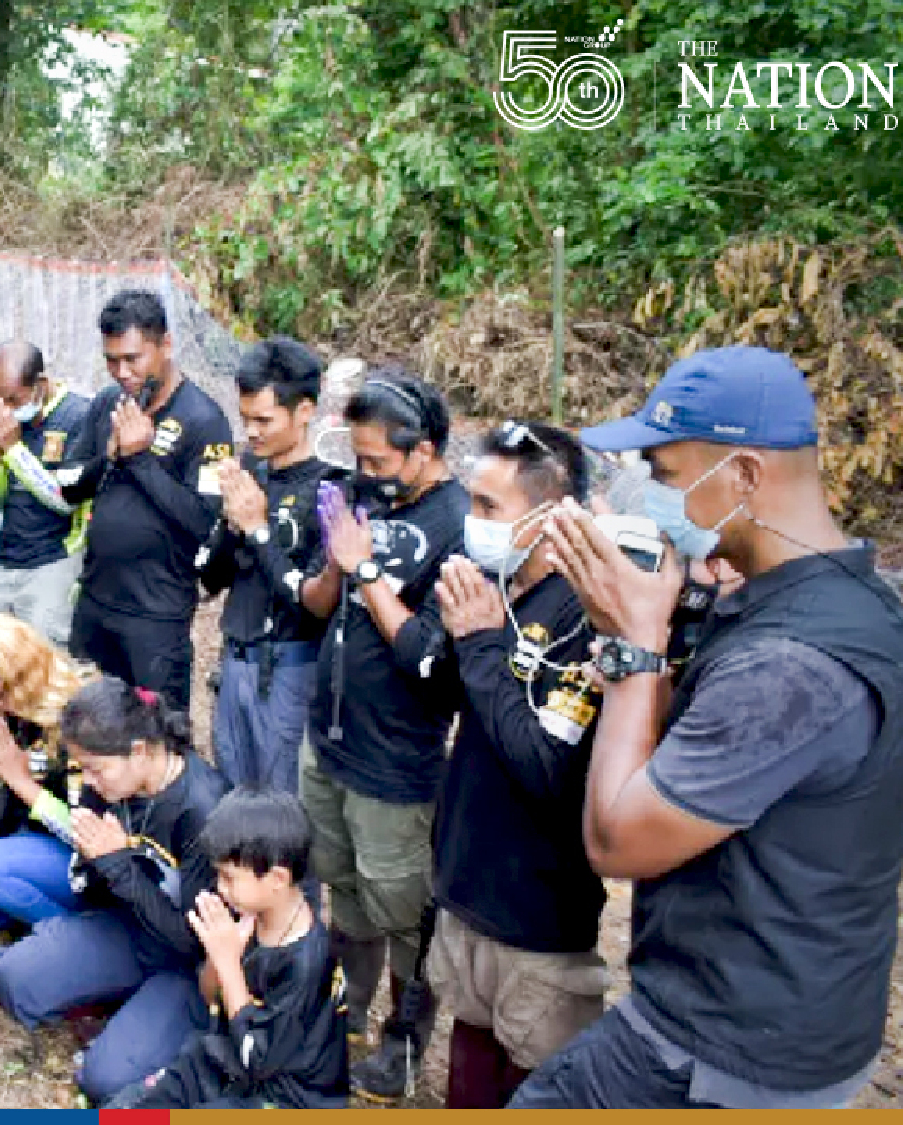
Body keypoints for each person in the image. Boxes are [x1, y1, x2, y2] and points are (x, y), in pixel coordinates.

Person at [510, 346, 903, 1109]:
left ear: (742, 475)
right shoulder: (834, 601)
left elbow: (617, 841)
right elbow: (706, 739)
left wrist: (634, 647)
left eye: (668, 475)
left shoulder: (793, 667)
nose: (653, 495)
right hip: (785, 1014)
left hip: (718, 1052)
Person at [426, 420, 610, 1108]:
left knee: (532, 1082)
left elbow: (547, 765)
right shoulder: (499, 589)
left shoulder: (586, 617)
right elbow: (452, 702)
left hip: (536, 920)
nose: (472, 523)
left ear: (553, 515)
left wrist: (474, 644)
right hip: (469, 888)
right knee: (469, 1063)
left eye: (488, 508)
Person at [295, 368, 466, 1098]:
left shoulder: (459, 524)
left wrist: (365, 567)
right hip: (328, 738)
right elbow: (316, 605)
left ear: (423, 449)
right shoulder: (365, 496)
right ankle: (348, 1009)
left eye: (379, 462)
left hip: (395, 759)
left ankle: (403, 1044)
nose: (365, 475)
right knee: (344, 887)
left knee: (403, 909)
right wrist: (338, 559)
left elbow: (430, 665)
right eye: (359, 460)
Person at [0, 676, 227, 1105]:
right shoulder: (112, 786)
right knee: (11, 979)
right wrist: (96, 862)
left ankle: (144, 1023)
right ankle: (116, 1001)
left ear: (139, 750)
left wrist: (118, 865)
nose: (90, 782)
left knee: (104, 1081)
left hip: (186, 965)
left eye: (96, 769)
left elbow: (194, 943)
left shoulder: (203, 810)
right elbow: (91, 889)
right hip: (129, 928)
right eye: (83, 769)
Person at [113, 789, 350, 1109]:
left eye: (228, 877)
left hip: (284, 1094)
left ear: (277, 878)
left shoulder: (306, 963)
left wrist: (229, 964)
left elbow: (257, 1058)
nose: (221, 888)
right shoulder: (251, 911)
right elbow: (210, 996)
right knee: (134, 1105)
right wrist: (217, 954)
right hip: (228, 1059)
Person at [60, 290, 233, 711]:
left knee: (157, 737)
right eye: (112, 360)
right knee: (90, 727)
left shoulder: (204, 420)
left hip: (155, 615)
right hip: (95, 600)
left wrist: (141, 460)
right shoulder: (107, 404)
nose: (122, 372)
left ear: (166, 345)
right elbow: (68, 484)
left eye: (132, 358)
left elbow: (204, 524)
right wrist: (113, 457)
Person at [199, 337, 343, 792]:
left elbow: (313, 603)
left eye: (264, 420)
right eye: (245, 420)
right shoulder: (248, 469)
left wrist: (259, 529)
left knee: (282, 807)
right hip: (235, 660)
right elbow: (211, 578)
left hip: (288, 667)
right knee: (233, 800)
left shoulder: (329, 487)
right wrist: (230, 523)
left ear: (304, 411)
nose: (252, 432)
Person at [0, 612, 91, 933]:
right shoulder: (12, 712)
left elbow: (86, 834)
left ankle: (72, 933)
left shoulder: (80, 718)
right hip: (32, 836)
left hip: (83, 858)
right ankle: (26, 899)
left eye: (3, 693)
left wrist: (20, 781)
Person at [0, 340, 89, 646]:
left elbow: (65, 500)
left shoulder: (78, 416)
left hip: (52, 560)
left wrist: (15, 450)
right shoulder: (5, 419)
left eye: (13, 400)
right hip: (6, 556)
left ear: (40, 384)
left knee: (45, 663)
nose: (6, 410)